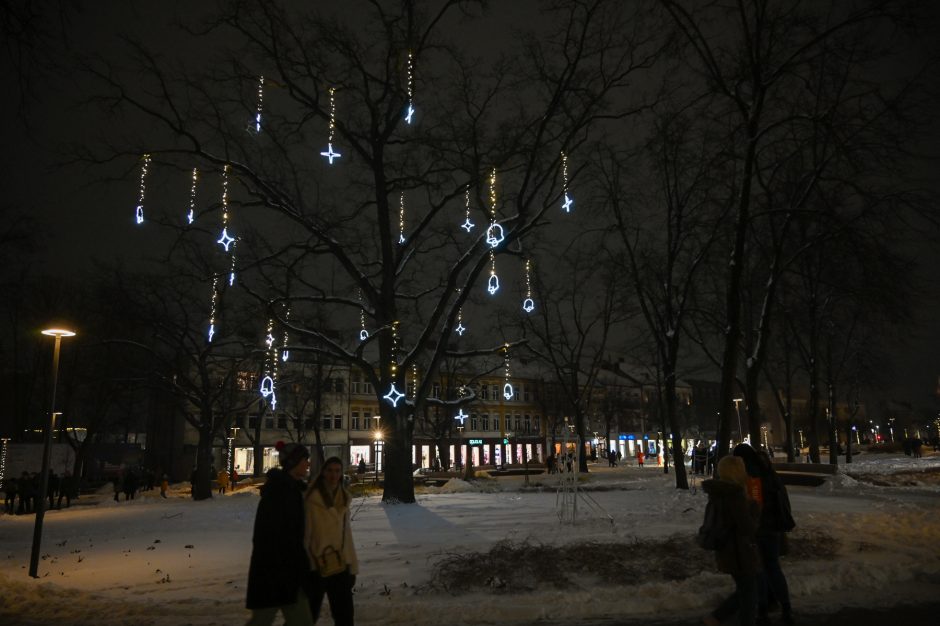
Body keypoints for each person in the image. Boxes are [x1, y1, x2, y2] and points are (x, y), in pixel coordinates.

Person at [245, 441, 314, 626]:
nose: (308, 464)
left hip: (286, 574)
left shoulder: (292, 490)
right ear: (293, 463)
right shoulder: (280, 493)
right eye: (305, 459)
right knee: (263, 620)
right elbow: (270, 536)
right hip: (275, 574)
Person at [733, 443, 795, 625]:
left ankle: (763, 609)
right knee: (774, 567)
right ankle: (786, 607)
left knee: (759, 570)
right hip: (773, 528)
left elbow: (753, 506)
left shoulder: (750, 476)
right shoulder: (769, 471)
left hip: (760, 529)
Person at [701, 455, 761, 626]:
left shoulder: (719, 493)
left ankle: (715, 618)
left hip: (728, 549)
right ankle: (717, 618)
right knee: (749, 593)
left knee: (746, 590)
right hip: (739, 551)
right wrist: (755, 507)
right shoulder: (735, 496)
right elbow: (747, 527)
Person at [304, 457, 358, 626]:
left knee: (345, 616)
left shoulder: (344, 498)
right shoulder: (312, 500)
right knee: (307, 617)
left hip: (340, 564)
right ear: (323, 473)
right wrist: (306, 565)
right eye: (330, 470)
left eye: (337, 471)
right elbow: (306, 535)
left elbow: (346, 535)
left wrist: (352, 565)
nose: (333, 475)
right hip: (316, 565)